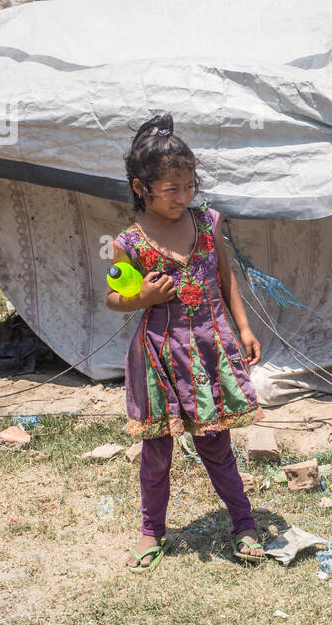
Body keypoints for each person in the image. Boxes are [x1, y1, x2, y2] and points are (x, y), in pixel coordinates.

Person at [105, 112, 265, 570]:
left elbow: (225, 277)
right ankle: (151, 530)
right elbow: (114, 296)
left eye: (189, 186)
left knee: (217, 444)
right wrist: (143, 296)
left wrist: (245, 328)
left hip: (209, 348)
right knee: (157, 451)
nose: (183, 197)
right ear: (141, 188)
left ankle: (244, 524)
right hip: (159, 357)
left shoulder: (208, 223)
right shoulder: (129, 245)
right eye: (171, 189)